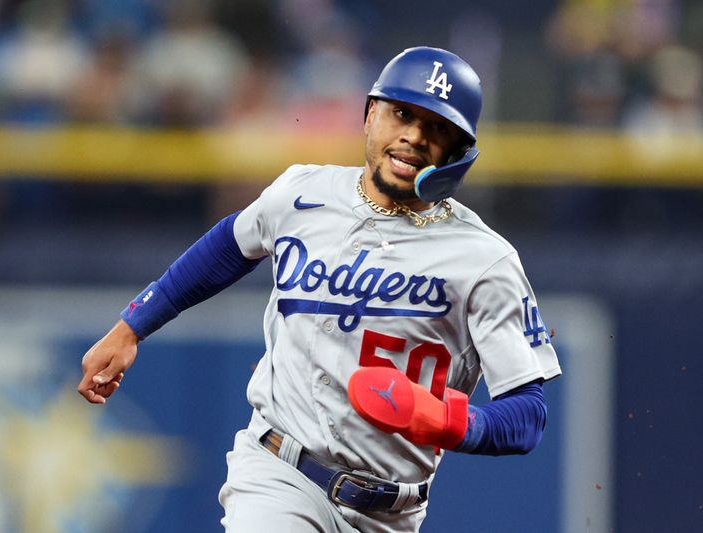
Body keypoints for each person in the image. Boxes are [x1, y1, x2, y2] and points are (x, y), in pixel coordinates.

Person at [78, 46, 562, 533]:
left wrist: (443, 420)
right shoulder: (301, 194)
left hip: (392, 512)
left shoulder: (484, 259)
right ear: (370, 114)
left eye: (437, 127)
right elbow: (228, 244)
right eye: (401, 113)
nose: (413, 136)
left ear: (459, 151)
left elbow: (528, 415)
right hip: (279, 473)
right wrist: (133, 325)